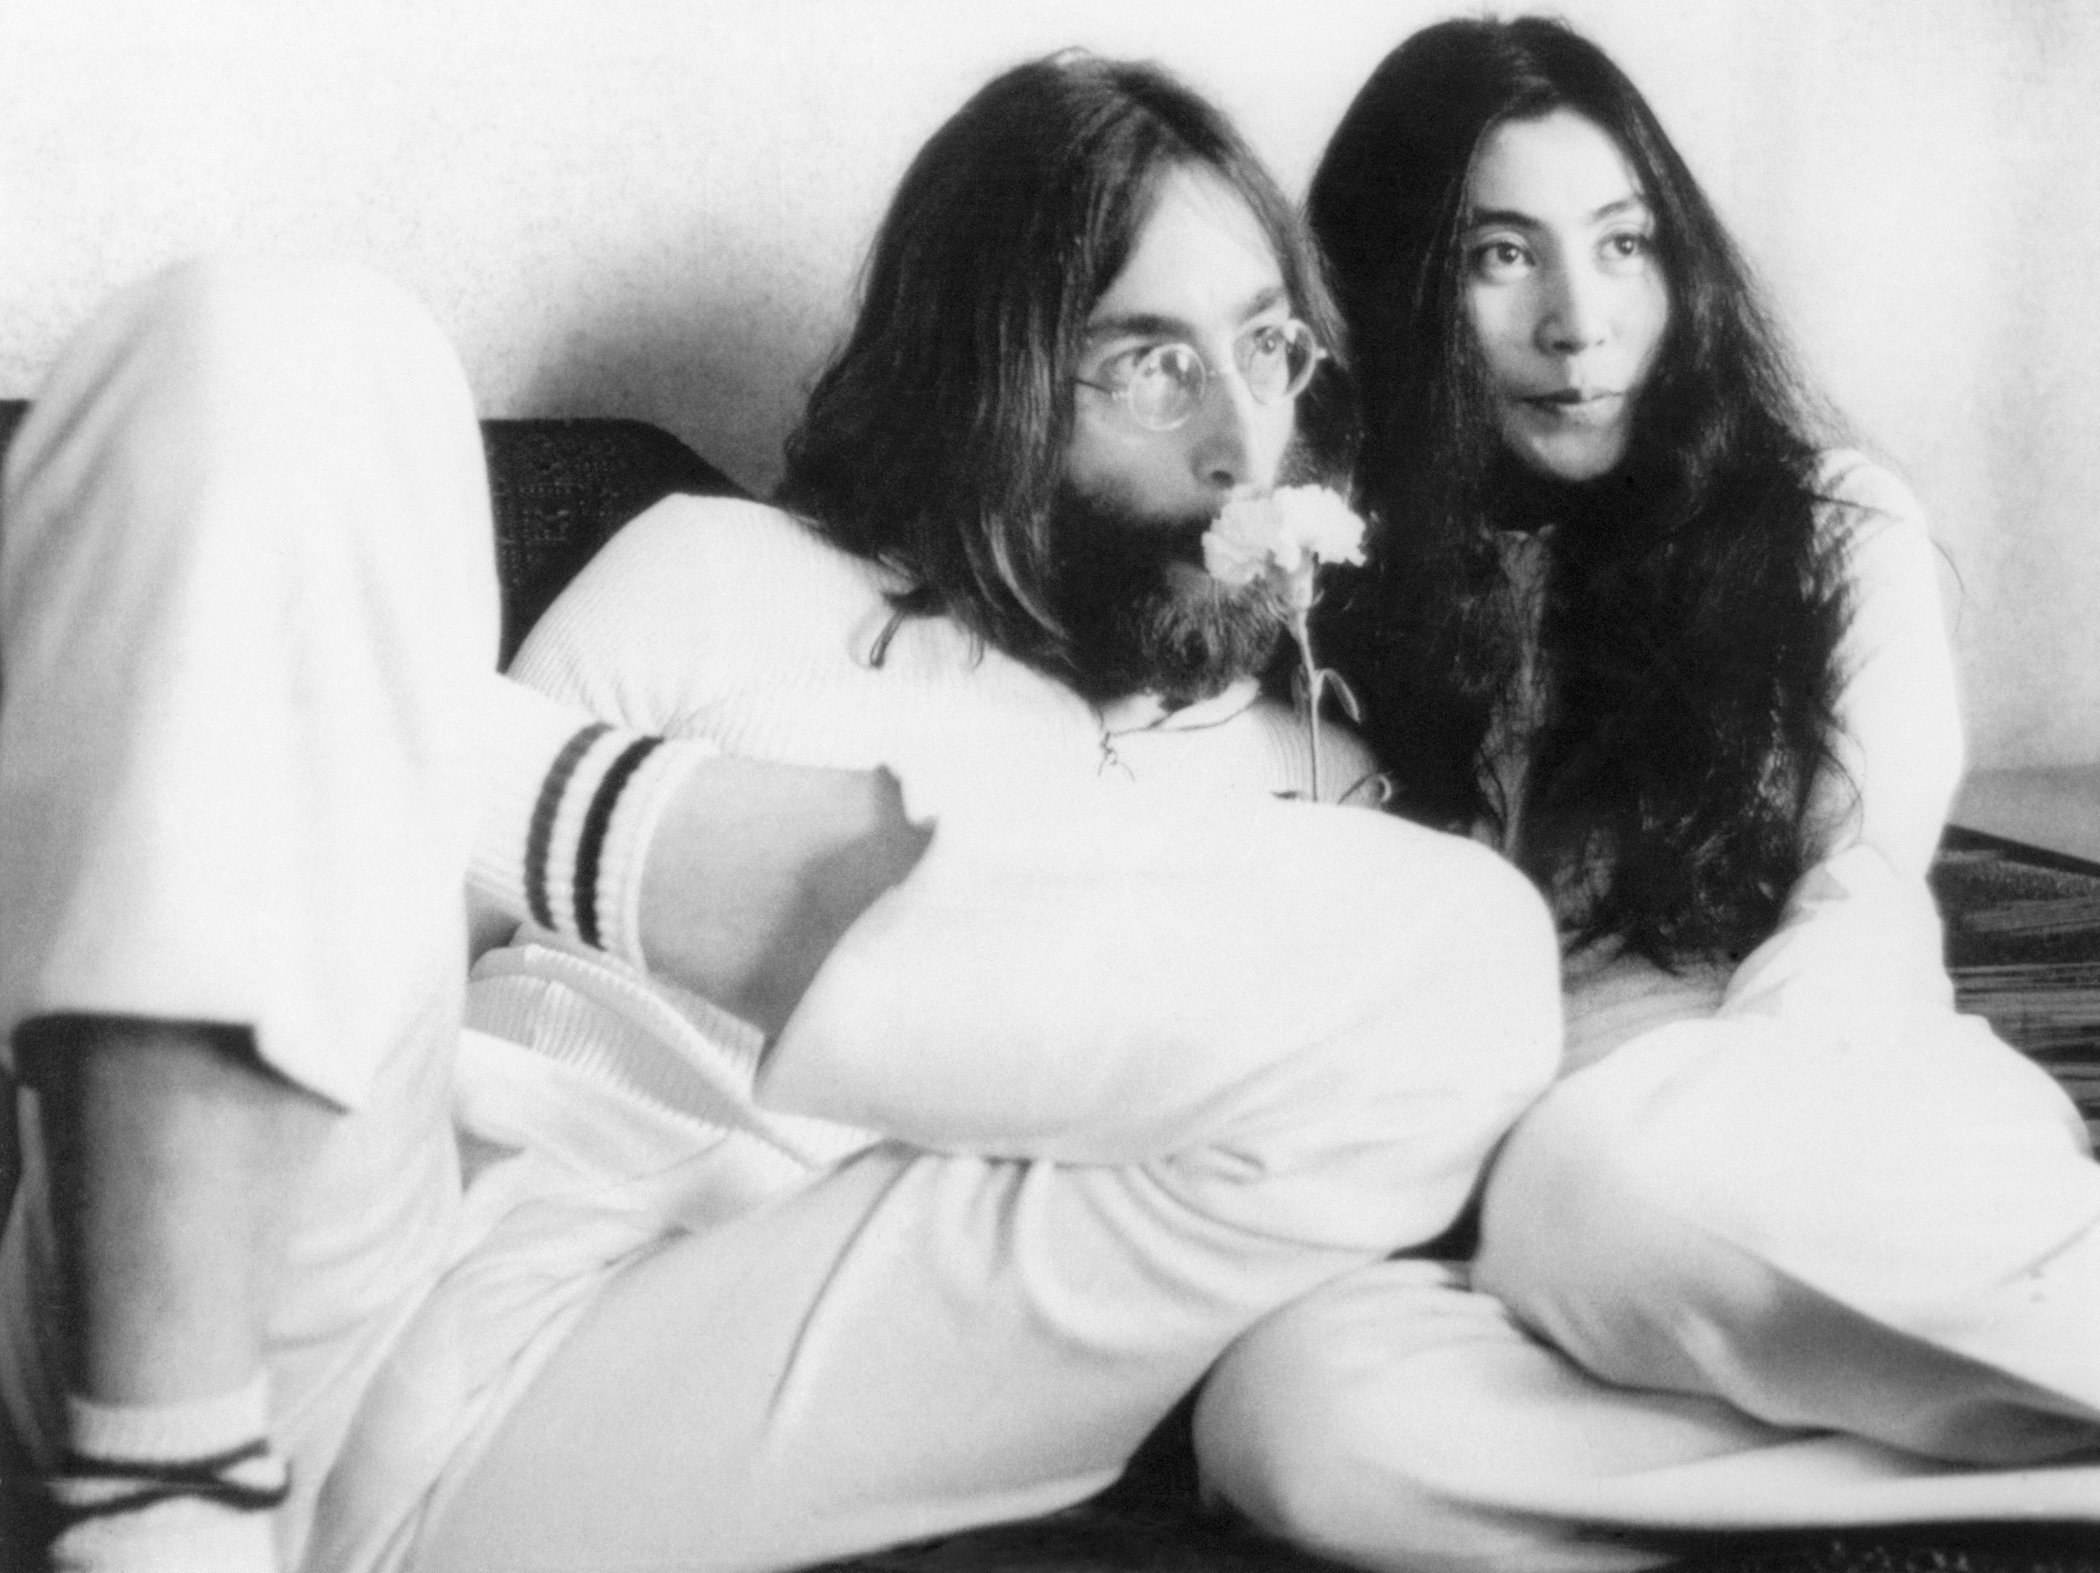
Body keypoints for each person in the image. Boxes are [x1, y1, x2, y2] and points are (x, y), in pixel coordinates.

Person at [0, 51, 1562, 1573]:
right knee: (268, 341)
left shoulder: (1326, 788)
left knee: (1481, 957)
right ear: (995, 377)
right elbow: (381, 933)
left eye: (1270, 344)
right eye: (1149, 359)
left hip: (742, 1354)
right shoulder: (719, 566)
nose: (1239, 438)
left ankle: (464, 764)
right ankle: (166, 1474)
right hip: (313, 1239)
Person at [1191, 17, 2100, 1572]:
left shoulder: (1827, 525)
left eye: (1623, 247)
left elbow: (1863, 885)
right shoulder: (1307, 579)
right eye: (1500, 257)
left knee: (1612, 1177)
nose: (1579, 323)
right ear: (1397, 286)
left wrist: (1680, 1139)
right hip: (1493, 1220)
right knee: (1296, 1421)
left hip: (1810, 1116)